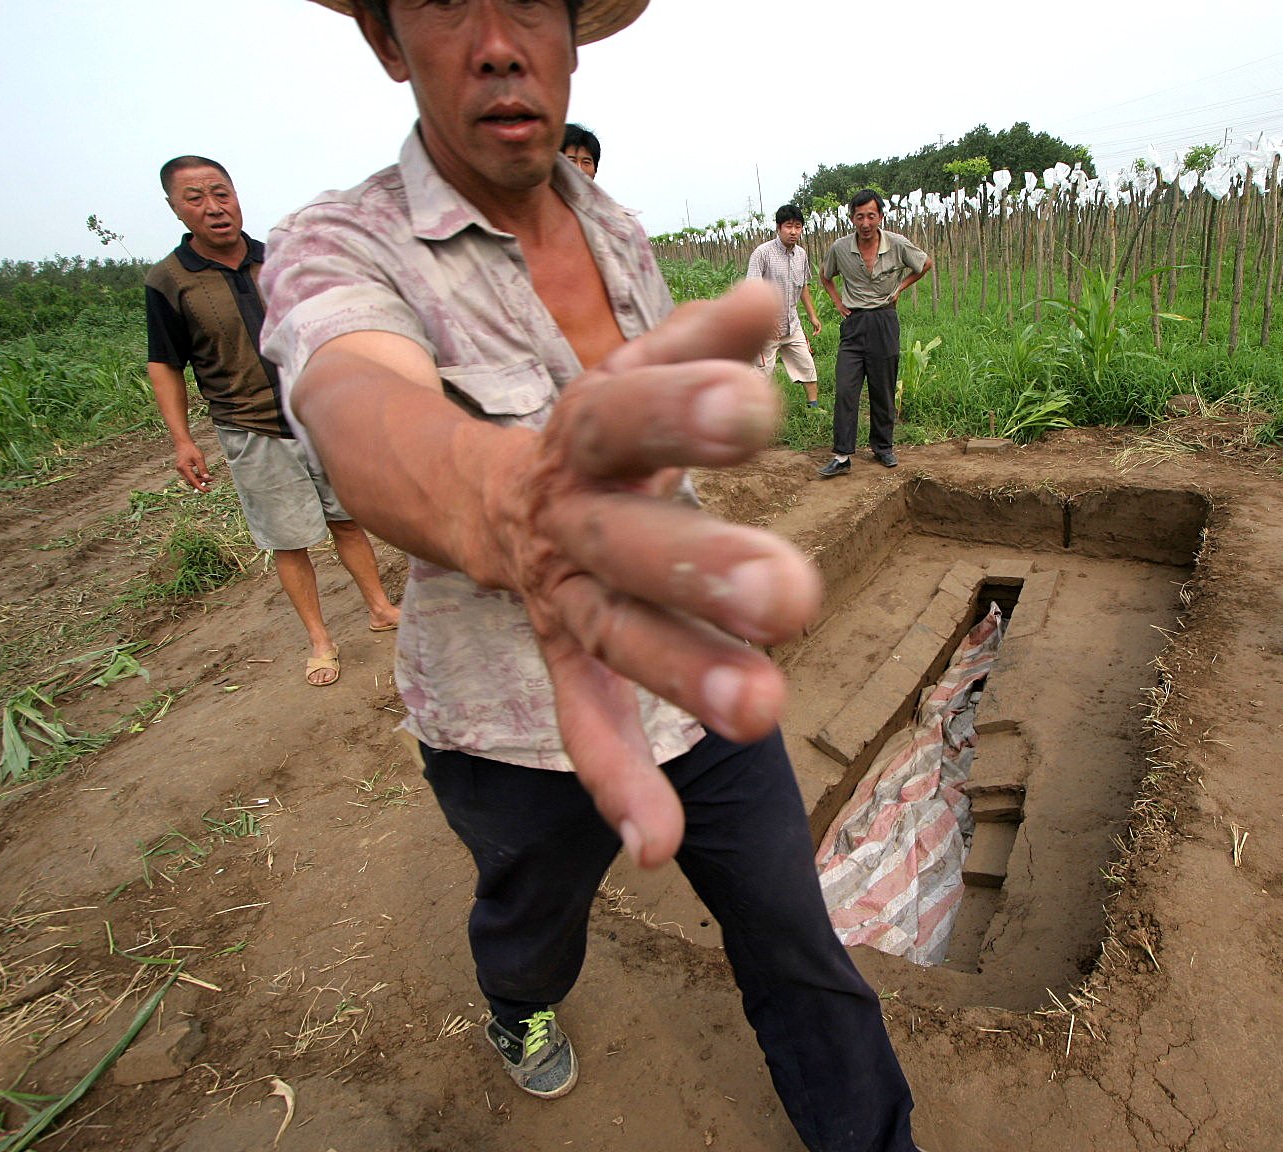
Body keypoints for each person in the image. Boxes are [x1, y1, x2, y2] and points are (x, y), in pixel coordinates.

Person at [263, 3, 918, 1149]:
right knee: (535, 921)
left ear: (573, 37)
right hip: (506, 725)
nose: (497, 40)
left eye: (530, 2)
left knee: (796, 942)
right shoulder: (339, 243)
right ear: (384, 41)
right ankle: (517, 1003)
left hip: (694, 682)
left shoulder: (614, 227)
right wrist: (504, 498)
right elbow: (354, 400)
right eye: (444, 2)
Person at [143, 155, 400, 687]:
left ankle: (380, 608)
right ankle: (320, 641)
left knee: (348, 518)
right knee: (289, 539)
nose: (214, 208)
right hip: (250, 425)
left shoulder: (277, 260)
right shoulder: (169, 281)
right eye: (196, 198)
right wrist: (182, 440)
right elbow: (165, 363)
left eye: (221, 193)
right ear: (174, 208)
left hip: (316, 416)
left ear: (236, 195)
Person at [817, 190, 933, 477]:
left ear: (880, 216)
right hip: (854, 324)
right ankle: (842, 455)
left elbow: (925, 264)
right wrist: (837, 302)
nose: (865, 222)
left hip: (884, 321)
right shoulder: (840, 248)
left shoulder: (896, 244)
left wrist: (900, 289)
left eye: (871, 215)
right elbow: (825, 276)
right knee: (846, 389)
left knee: (882, 388)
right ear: (852, 219)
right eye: (860, 216)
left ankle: (883, 447)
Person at [746, 203, 823, 408]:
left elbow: (803, 286)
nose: (793, 231)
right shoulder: (762, 253)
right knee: (762, 373)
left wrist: (813, 316)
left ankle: (813, 408)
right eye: (789, 226)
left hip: (792, 324)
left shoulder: (801, 255)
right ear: (778, 228)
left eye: (798, 227)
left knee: (807, 364)